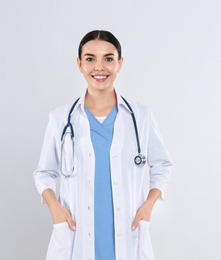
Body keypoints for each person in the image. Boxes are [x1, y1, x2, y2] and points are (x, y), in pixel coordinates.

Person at [33, 30, 173, 260]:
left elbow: (162, 165)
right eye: (90, 59)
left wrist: (148, 205)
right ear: (79, 64)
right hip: (75, 236)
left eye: (108, 58)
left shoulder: (140, 116)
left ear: (120, 63)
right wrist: (54, 208)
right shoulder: (60, 118)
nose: (100, 67)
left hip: (128, 233)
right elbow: (44, 173)